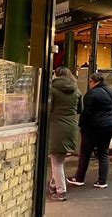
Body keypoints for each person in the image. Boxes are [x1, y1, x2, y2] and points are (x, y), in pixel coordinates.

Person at [67, 73, 112, 188]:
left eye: (90, 81)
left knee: (85, 153)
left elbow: (86, 113)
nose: (89, 84)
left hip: (92, 128)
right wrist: (111, 121)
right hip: (108, 127)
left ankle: (79, 178)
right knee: (103, 153)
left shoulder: (91, 93)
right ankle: (102, 181)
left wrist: (82, 126)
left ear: (95, 81)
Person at [48, 67, 83, 201]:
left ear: (56, 75)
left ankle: (61, 191)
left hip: (56, 126)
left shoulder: (52, 89)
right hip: (71, 126)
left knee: (56, 160)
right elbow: (81, 109)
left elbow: (48, 109)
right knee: (59, 159)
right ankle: (53, 184)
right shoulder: (76, 90)